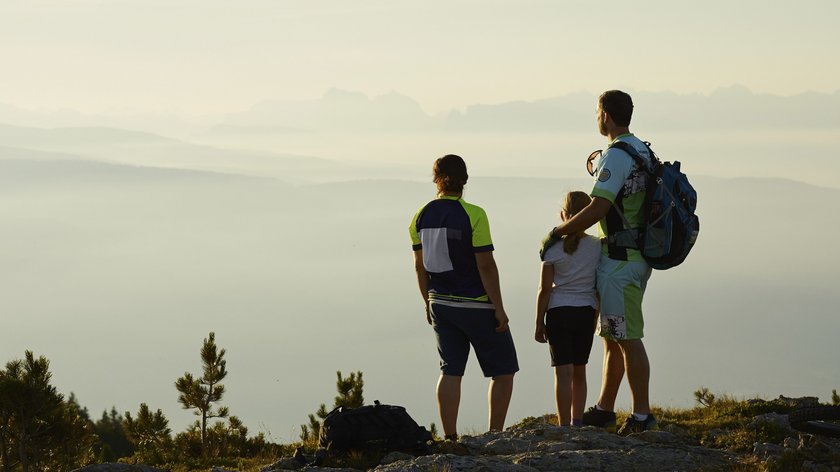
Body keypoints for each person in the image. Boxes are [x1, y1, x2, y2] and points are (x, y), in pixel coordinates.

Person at [543, 90, 657, 434]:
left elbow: (598, 207)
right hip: (632, 256)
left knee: (628, 338)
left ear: (605, 115)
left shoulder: (617, 156)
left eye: (597, 112)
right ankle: (605, 408)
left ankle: (642, 416)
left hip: (620, 264)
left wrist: (559, 231)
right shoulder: (642, 149)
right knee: (612, 336)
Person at [409, 154, 519, 441]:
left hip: (439, 302)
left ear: (436, 180)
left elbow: (420, 267)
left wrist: (427, 301)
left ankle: (451, 437)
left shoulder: (420, 216)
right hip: (476, 303)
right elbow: (486, 265)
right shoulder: (474, 214)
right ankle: (494, 435)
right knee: (503, 370)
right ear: (465, 180)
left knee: (450, 371)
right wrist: (498, 308)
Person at [535, 191, 601, 427]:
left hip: (558, 313)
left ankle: (563, 426)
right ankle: (577, 421)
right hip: (585, 312)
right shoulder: (597, 247)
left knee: (563, 374)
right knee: (580, 371)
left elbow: (544, 289)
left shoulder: (552, 249)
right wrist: (596, 316)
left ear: (564, 215)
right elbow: (598, 286)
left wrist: (538, 323)